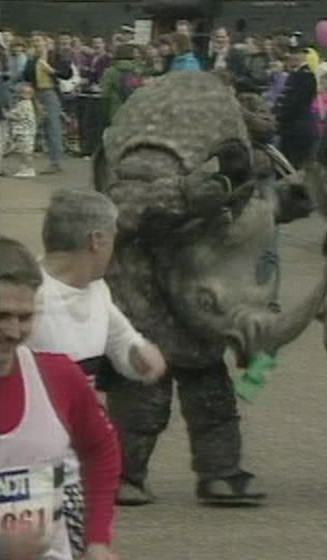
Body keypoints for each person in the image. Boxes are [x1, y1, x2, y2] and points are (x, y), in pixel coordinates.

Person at [25, 189, 166, 553]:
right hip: (31, 465)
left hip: (79, 460)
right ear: (96, 240)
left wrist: (139, 354)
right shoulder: (29, 300)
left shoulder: (98, 291)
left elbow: (122, 339)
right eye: (114, 237)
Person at [0, 236, 121, 560]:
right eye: (1, 316)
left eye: (24, 317)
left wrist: (97, 540)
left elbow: (101, 451)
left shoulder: (59, 377)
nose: (12, 332)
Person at [22, 32, 73, 175]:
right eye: (33, 41)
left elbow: (66, 73)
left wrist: (52, 70)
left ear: (45, 42)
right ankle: (28, 159)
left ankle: (55, 161)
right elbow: (26, 75)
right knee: (34, 125)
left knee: (53, 125)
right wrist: (31, 60)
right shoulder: (33, 58)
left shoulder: (54, 56)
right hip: (36, 93)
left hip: (50, 92)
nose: (36, 44)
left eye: (38, 41)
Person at [3, 83, 37, 178]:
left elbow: (18, 116)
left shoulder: (25, 104)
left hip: (25, 133)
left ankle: (29, 169)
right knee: (23, 152)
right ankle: (24, 167)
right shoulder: (23, 104)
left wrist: (6, 115)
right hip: (22, 132)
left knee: (26, 153)